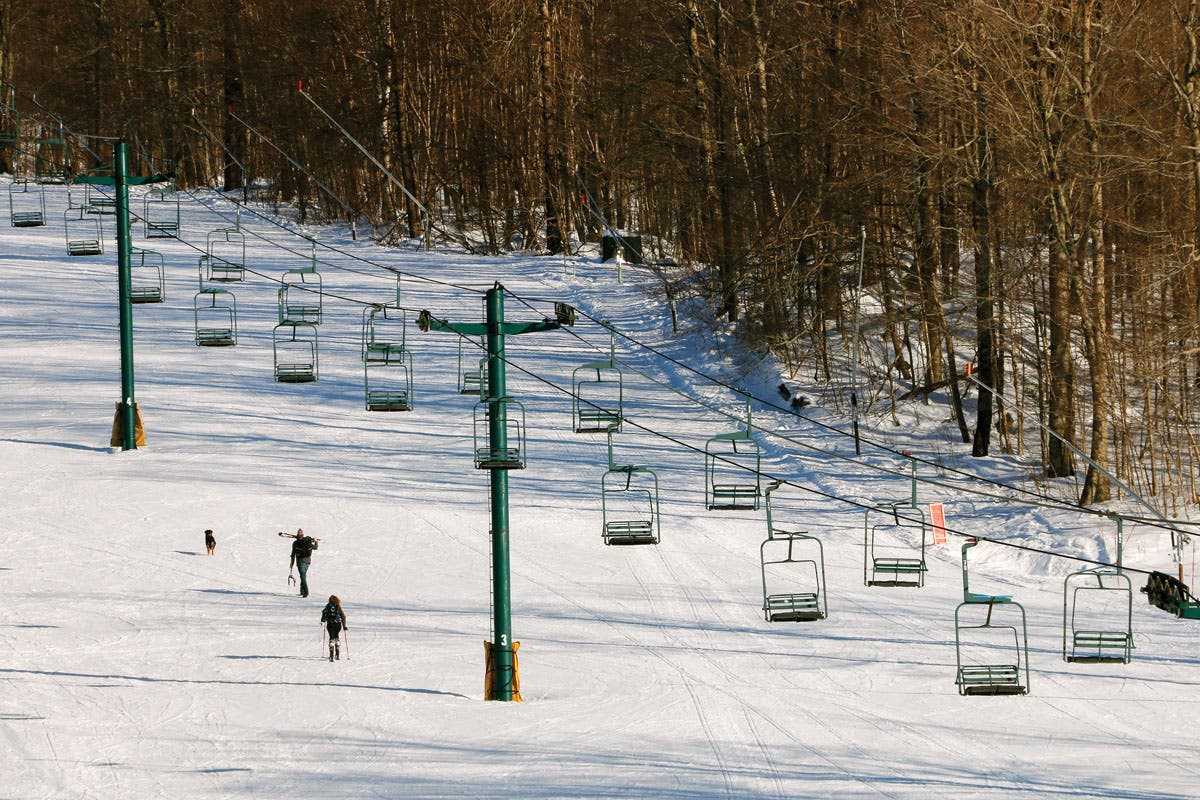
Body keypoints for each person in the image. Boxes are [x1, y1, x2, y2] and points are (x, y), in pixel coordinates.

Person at [288, 528, 318, 598]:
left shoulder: (295, 543)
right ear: (303, 534)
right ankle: (302, 591)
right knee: (303, 576)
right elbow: (315, 548)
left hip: (300, 562)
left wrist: (291, 564)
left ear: (297, 534)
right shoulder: (308, 541)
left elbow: (293, 554)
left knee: (303, 576)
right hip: (308, 562)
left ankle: (306, 592)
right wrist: (316, 541)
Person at [321, 595, 347, 661]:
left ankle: (331, 656)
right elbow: (343, 616)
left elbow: (324, 614)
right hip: (338, 624)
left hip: (330, 624)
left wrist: (323, 621)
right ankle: (337, 655)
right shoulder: (338, 606)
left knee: (331, 637)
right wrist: (344, 626)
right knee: (336, 636)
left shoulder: (328, 606)